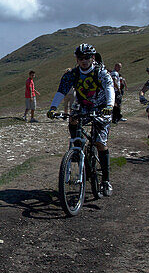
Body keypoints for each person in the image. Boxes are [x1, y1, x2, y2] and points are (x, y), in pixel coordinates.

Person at [45, 43, 115, 195]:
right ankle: (77, 148)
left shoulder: (101, 72)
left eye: (87, 58)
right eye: (80, 58)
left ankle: (106, 181)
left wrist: (109, 106)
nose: (84, 61)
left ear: (93, 58)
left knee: (100, 143)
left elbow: (110, 88)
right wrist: (53, 108)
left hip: (102, 107)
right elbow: (61, 91)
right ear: (76, 59)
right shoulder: (72, 74)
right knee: (73, 119)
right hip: (83, 106)